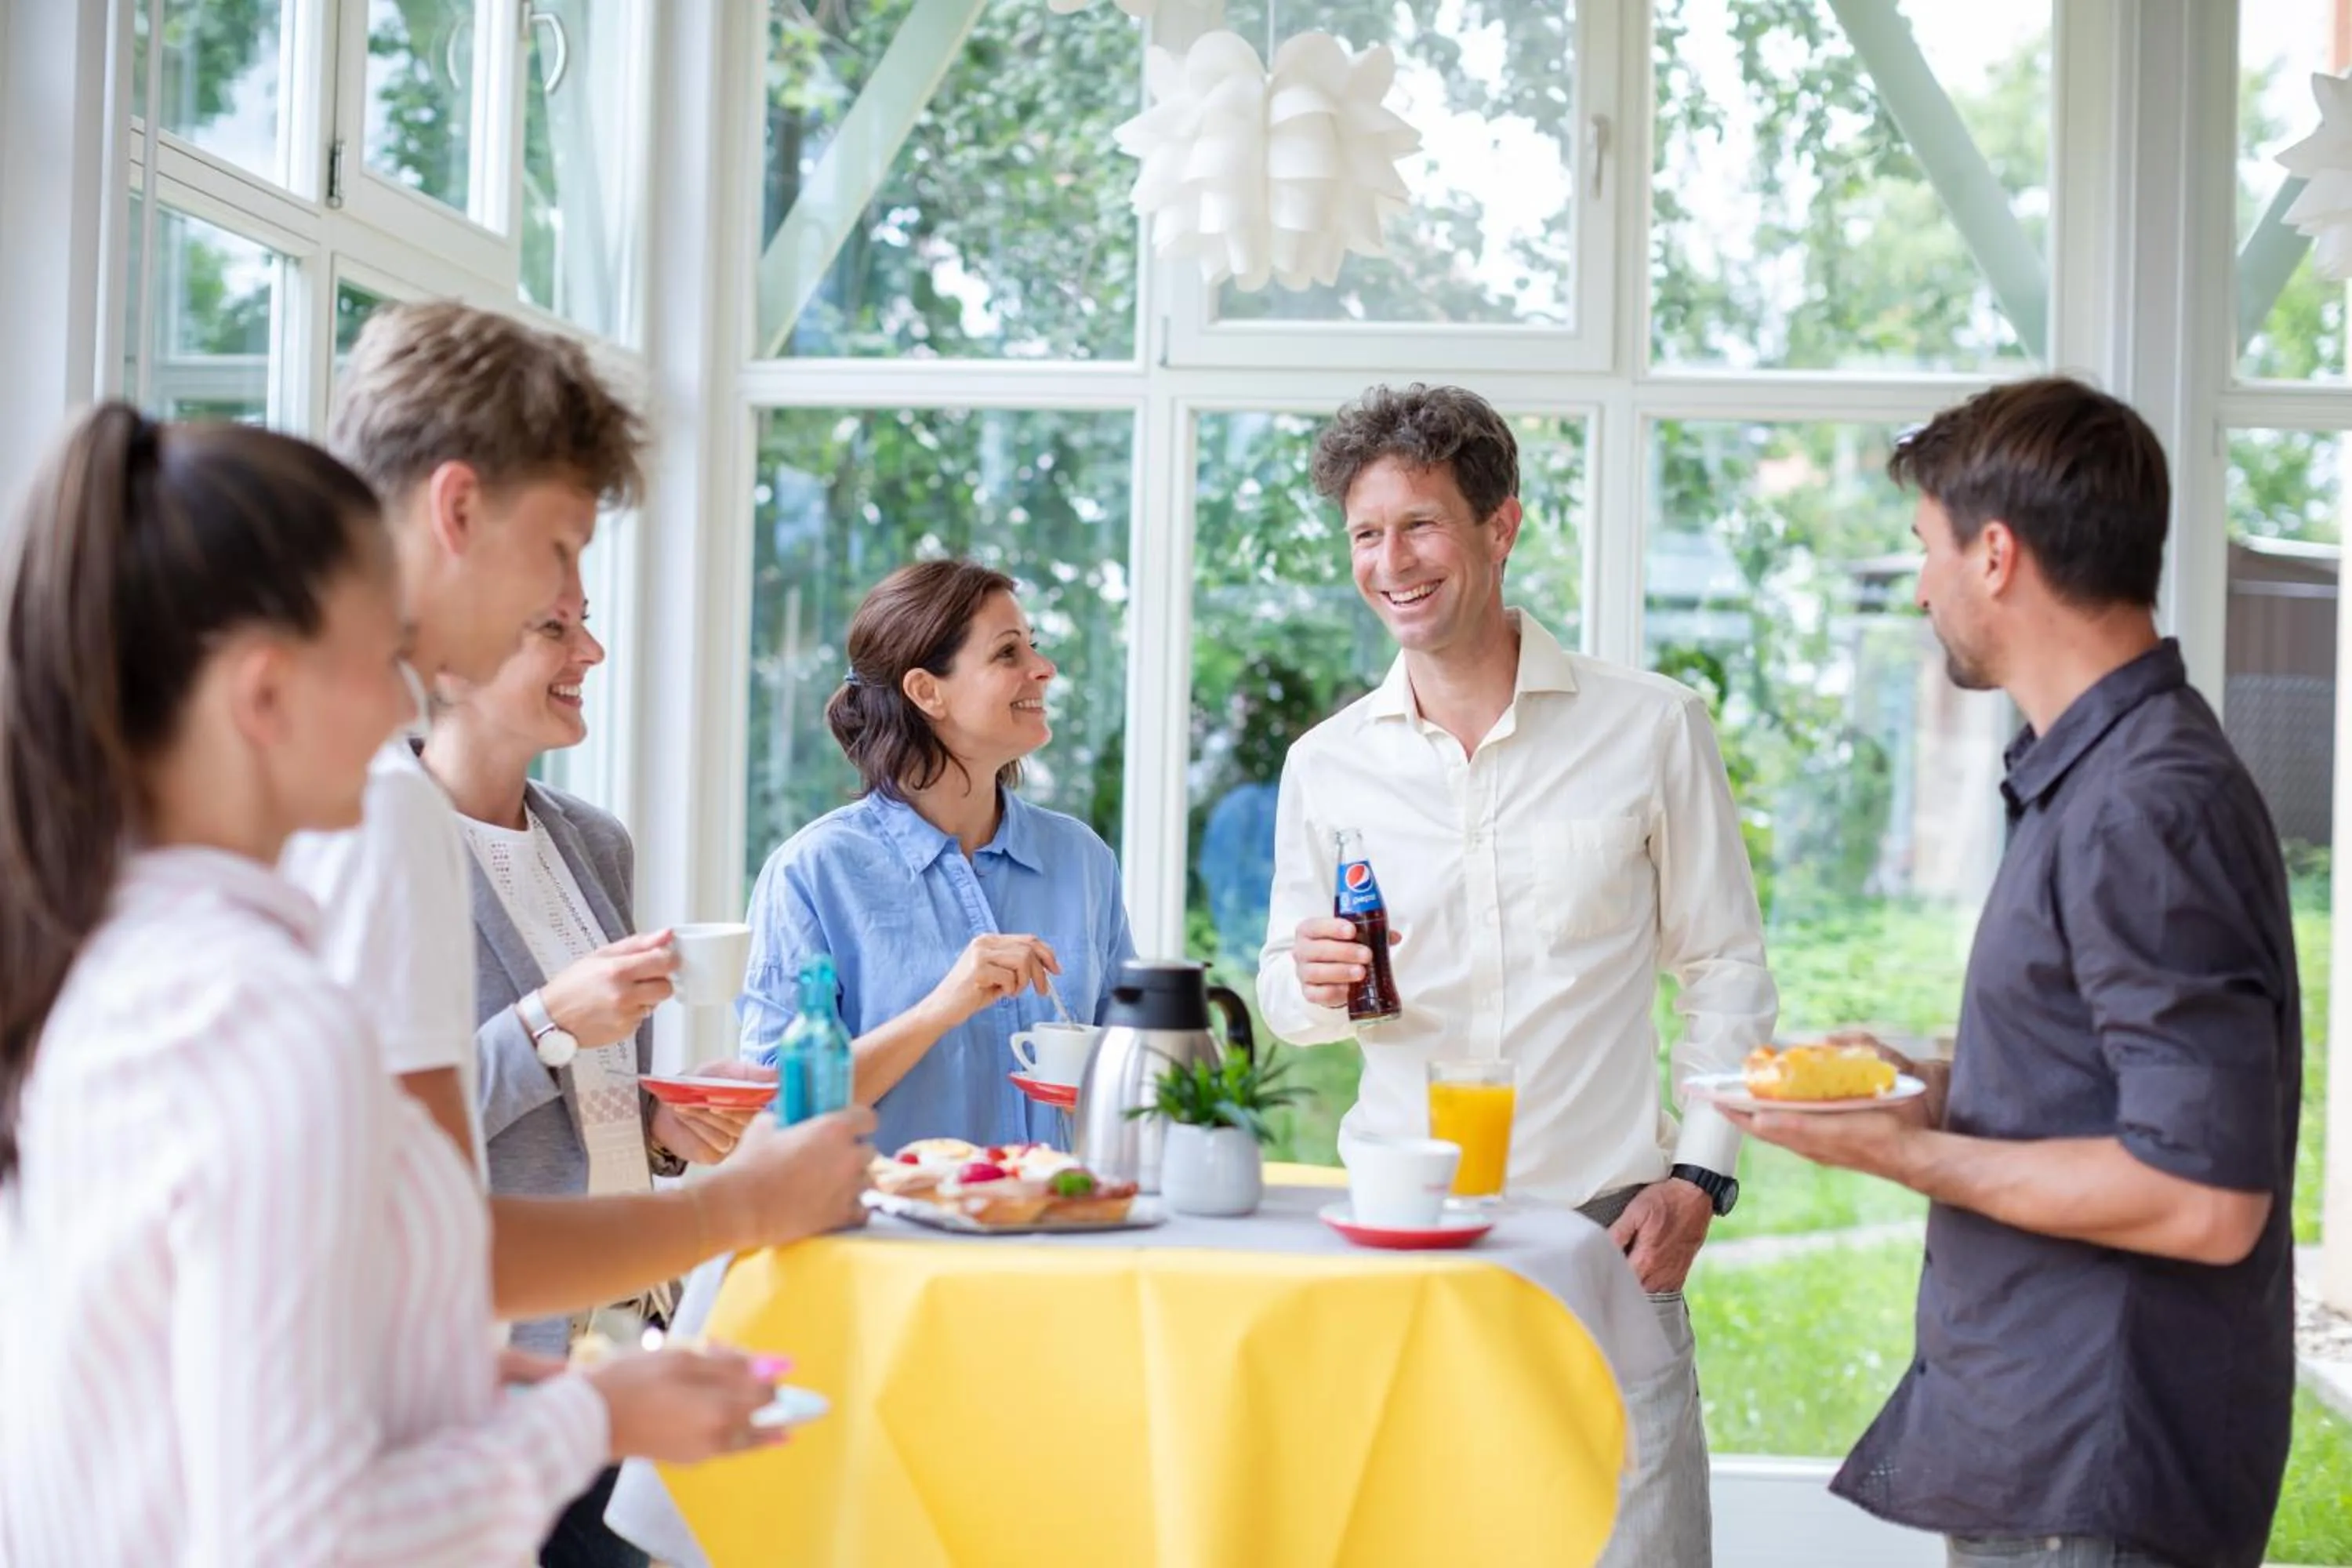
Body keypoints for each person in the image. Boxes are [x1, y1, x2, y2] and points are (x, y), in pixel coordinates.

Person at [0, 408, 783, 1564]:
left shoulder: (115, 963)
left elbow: (198, 1380)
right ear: (263, 698)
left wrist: (458, 1381)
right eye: (382, 662)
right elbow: (300, 1536)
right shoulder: (268, 1020)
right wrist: (595, 1414)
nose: (402, 708)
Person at [1728, 378, 2300, 1568]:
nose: (1924, 584)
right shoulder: (2096, 773)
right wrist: (1923, 1078)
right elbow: (2111, 1074)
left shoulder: (2146, 802)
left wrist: (1903, 1151)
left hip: (2096, 1469)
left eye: (1926, 549)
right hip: (2051, 1452)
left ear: (1997, 554)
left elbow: (2203, 1196)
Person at [280, 301, 872, 1362]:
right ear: (457, 510)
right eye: (557, 557)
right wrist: (742, 1208)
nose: (573, 621)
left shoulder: (324, 774)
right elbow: (413, 1239)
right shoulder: (373, 801)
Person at [1257, 383, 1777, 1568]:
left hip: (1606, 1245)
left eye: (1422, 524)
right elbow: (1289, 992)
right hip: (1403, 1248)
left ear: (1501, 527)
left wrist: (1703, 1175)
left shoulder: (1651, 728)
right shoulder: (1326, 766)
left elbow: (1724, 966)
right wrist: (1318, 982)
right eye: (1365, 534)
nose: (1392, 561)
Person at [424, 597, 775, 1568]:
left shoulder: (593, 840)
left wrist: (666, 1119)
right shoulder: (385, 846)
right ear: (451, 653)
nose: (594, 650)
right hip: (495, 1358)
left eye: (588, 621)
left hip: (623, 1329)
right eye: (553, 627)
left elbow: (587, 1091)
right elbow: (392, 1139)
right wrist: (548, 1022)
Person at [742, 559, 1137, 1152]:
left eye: (1034, 647)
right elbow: (774, 1107)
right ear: (927, 691)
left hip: (1060, 1228)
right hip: (884, 1236)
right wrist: (944, 1007)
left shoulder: (1082, 861)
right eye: (1008, 654)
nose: (1044, 669)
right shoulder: (815, 872)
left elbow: (1131, 1067)